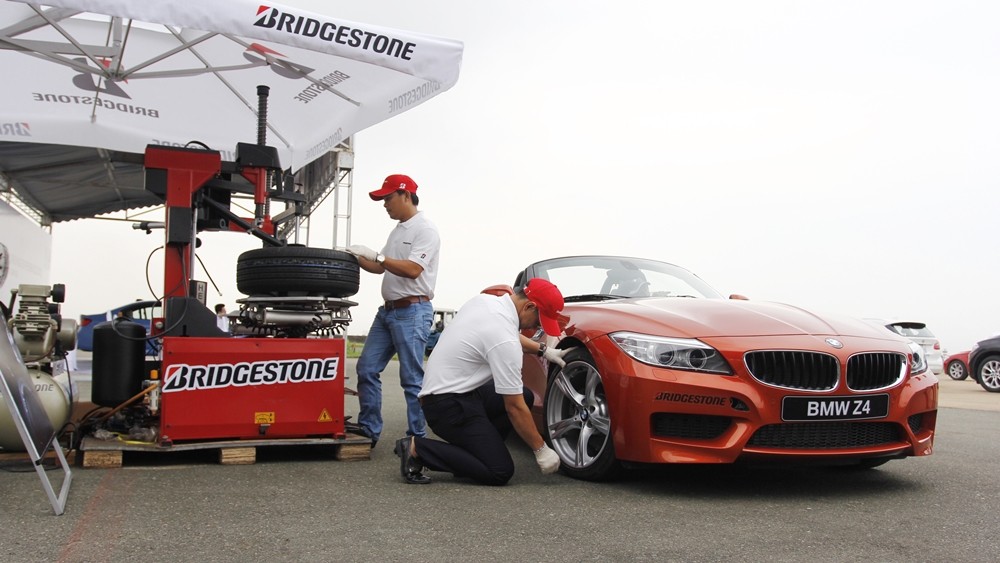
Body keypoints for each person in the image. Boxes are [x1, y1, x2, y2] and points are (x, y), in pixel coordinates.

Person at [394, 278, 570, 485]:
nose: (538, 326)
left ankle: (475, 454)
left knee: (526, 395)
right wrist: (541, 449)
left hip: (452, 393)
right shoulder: (504, 339)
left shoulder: (486, 302)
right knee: (499, 471)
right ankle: (417, 449)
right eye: (539, 321)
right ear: (529, 306)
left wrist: (544, 350)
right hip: (446, 408)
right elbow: (514, 407)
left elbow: (506, 334)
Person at [347, 174, 440, 447]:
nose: (385, 204)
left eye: (388, 198)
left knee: (411, 379)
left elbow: (413, 269)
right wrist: (355, 257)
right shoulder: (398, 230)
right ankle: (369, 429)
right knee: (366, 368)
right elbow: (380, 267)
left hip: (413, 310)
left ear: (406, 195)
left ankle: (417, 441)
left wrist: (377, 256)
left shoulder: (425, 229)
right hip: (387, 312)